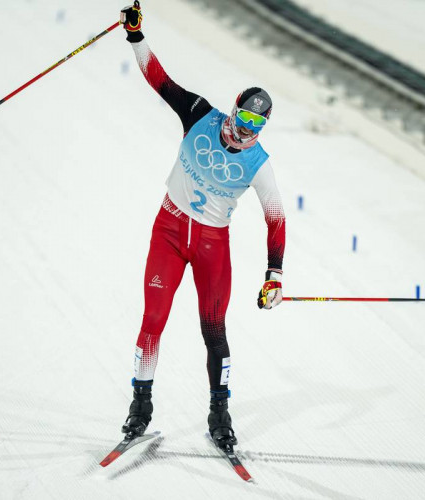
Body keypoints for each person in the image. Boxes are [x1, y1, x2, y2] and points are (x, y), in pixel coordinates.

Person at [118, 2, 286, 449]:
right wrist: (137, 36)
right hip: (169, 231)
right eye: (242, 118)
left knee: (214, 331)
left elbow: (276, 216)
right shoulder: (200, 114)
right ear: (232, 109)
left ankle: (220, 413)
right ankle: (140, 405)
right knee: (153, 317)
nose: (244, 130)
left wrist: (275, 274)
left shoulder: (259, 162)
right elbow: (160, 80)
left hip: (212, 245)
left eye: (255, 125)